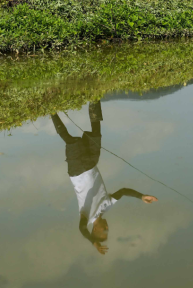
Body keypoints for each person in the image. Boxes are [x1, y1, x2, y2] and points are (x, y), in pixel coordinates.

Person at [51, 101, 158, 255]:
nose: (107, 228)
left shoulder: (86, 216)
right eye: (107, 231)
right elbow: (123, 191)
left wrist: (93, 241)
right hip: (91, 164)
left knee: (70, 140)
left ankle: (52, 112)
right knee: (96, 133)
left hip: (77, 170)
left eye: (103, 231)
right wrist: (141, 196)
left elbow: (81, 229)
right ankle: (94, 99)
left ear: (94, 229)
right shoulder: (107, 205)